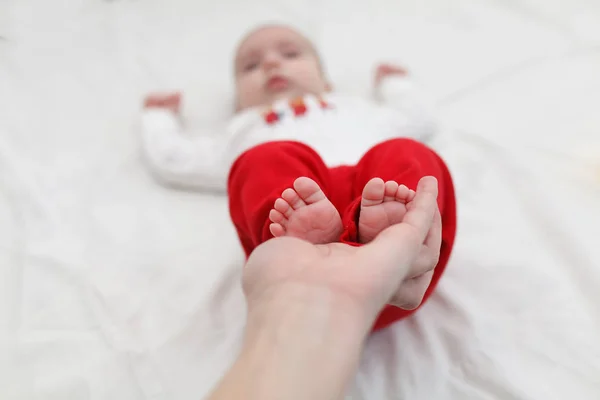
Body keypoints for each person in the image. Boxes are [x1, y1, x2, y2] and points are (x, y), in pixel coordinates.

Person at [140, 24, 457, 330]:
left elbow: (419, 119)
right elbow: (175, 159)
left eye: (290, 54)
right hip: (301, 266)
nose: (271, 62)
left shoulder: (357, 108)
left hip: (396, 260)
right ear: (238, 102)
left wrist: (394, 85)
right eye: (250, 66)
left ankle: (395, 234)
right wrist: (159, 119)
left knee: (406, 152)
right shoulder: (242, 130)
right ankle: (298, 244)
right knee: (261, 160)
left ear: (327, 82)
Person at [207, 176, 442, 400]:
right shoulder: (378, 280)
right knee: (406, 156)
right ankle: (383, 233)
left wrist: (295, 291)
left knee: (265, 161)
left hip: (321, 272)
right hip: (384, 289)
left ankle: (291, 242)